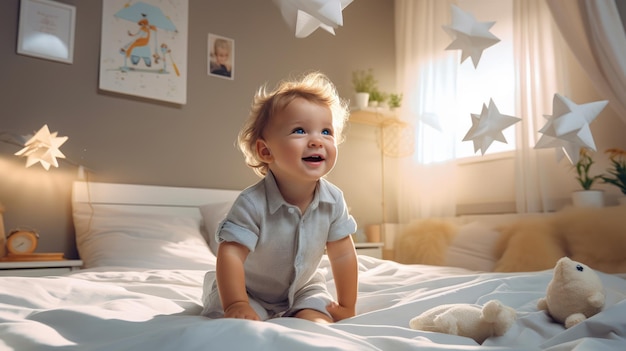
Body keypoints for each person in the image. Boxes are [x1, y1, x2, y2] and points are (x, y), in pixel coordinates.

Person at [201, 72, 358, 323]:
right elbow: (230, 254)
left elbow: (343, 255)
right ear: (266, 150)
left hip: (302, 288)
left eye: (326, 131)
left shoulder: (333, 200)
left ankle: (308, 318)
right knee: (239, 323)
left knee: (318, 321)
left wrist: (347, 306)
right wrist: (236, 302)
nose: (317, 140)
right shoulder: (252, 203)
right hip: (247, 289)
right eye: (300, 130)